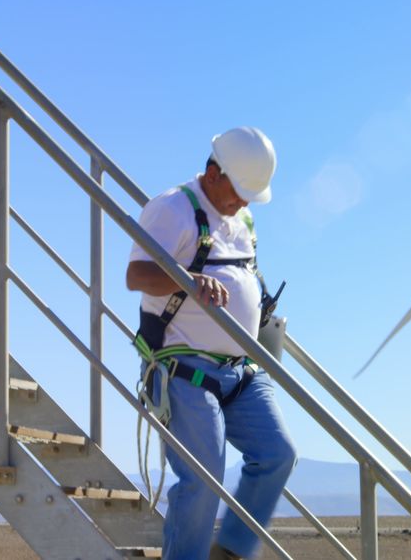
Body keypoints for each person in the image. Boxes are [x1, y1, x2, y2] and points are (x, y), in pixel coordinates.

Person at [127, 127, 297, 560]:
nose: (241, 202)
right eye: (238, 191)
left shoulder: (243, 219)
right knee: (204, 478)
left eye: (248, 196)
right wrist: (188, 279)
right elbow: (137, 276)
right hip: (186, 368)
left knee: (277, 453)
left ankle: (230, 553)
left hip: (241, 370)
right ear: (212, 171)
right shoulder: (173, 209)